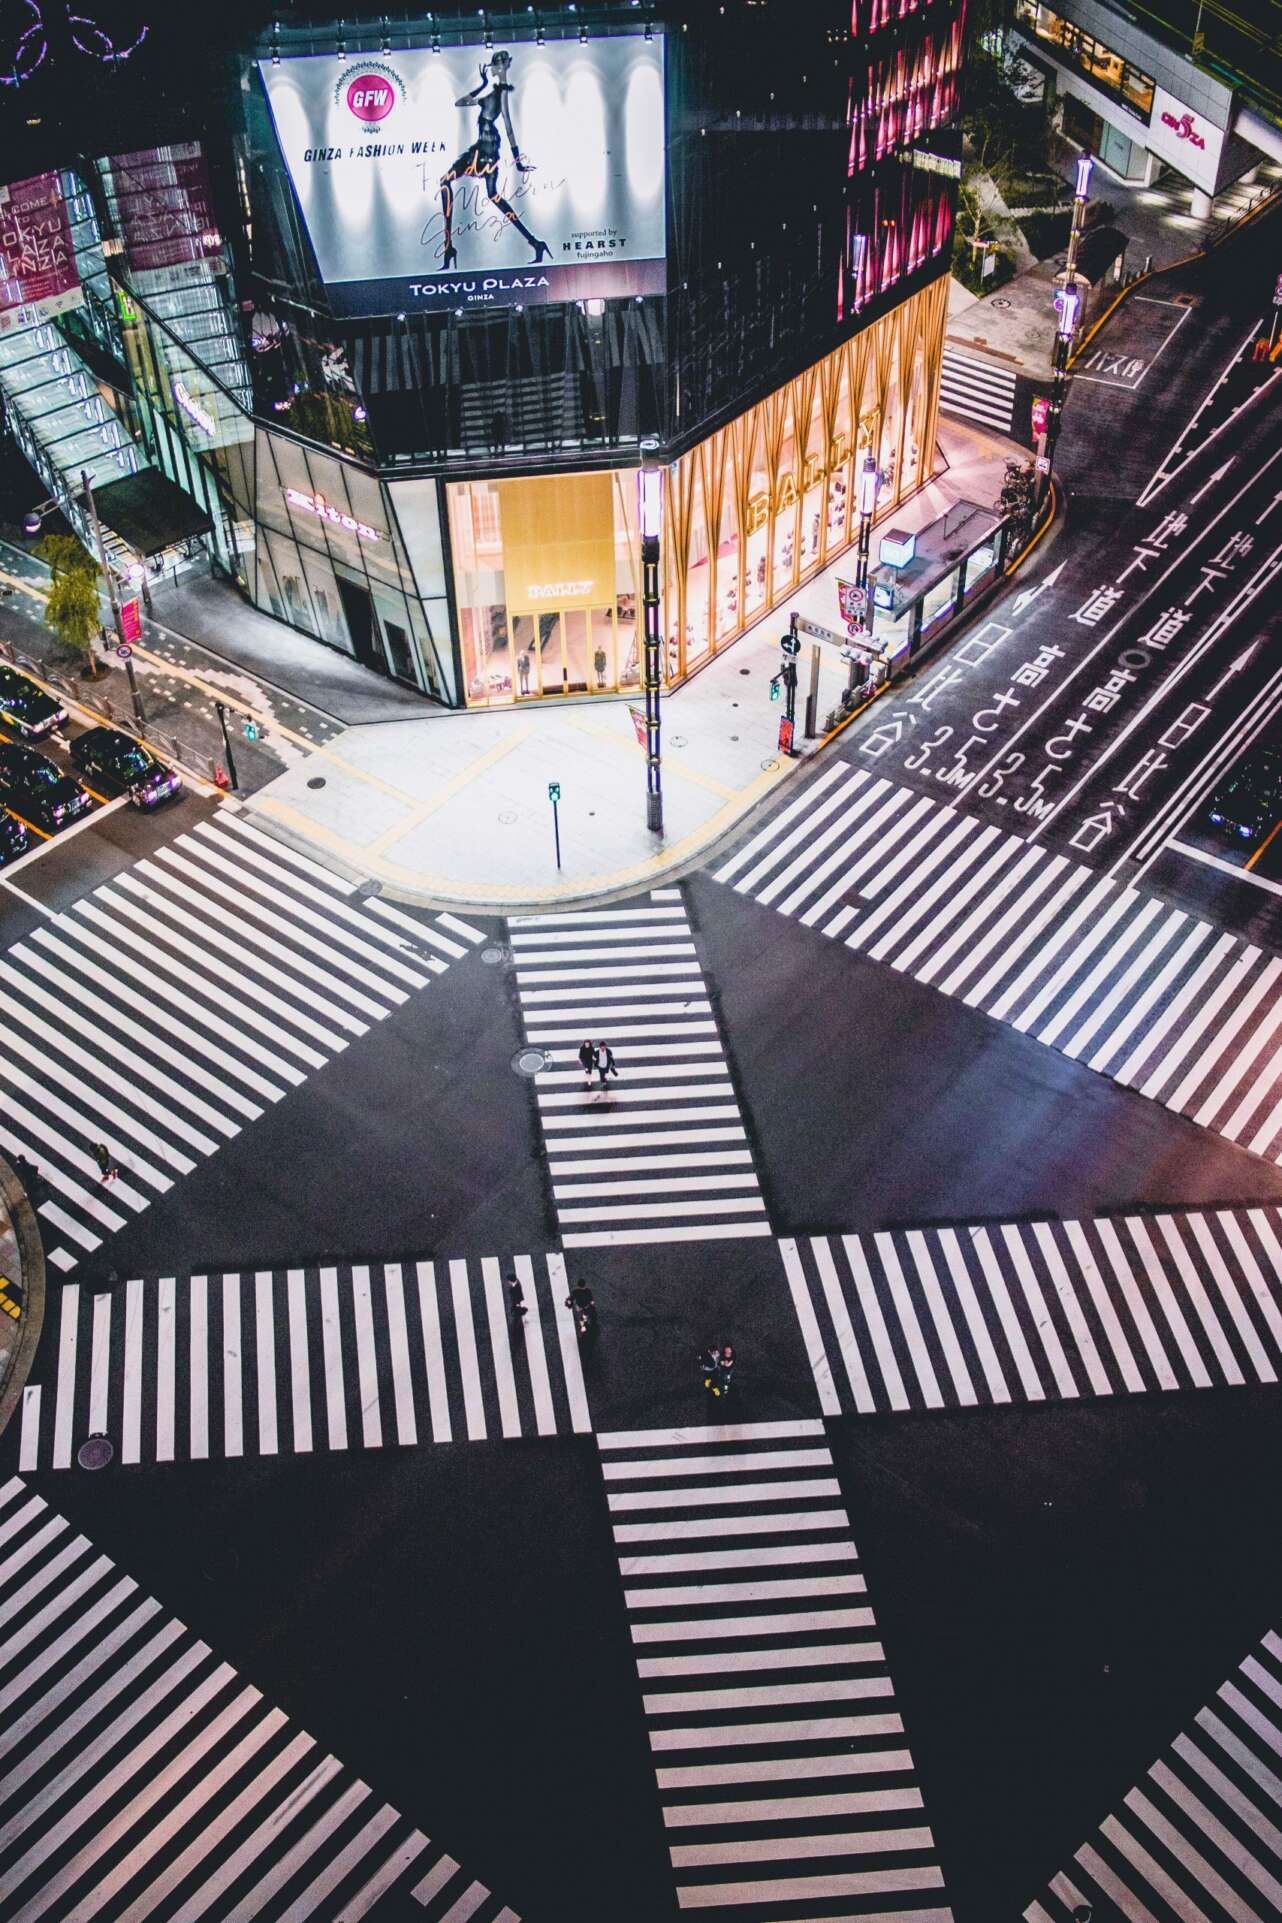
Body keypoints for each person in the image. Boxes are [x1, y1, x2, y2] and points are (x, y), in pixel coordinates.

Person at [439, 49, 550, 269]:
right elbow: (460, 103)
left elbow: (507, 123)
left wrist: (517, 159)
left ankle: (450, 246)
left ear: (506, 65)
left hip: (487, 149)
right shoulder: (489, 92)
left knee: (488, 194)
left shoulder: (501, 92)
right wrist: (481, 84)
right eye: (496, 64)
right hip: (481, 148)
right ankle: (535, 242)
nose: (498, 67)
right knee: (487, 194)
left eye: (501, 63)